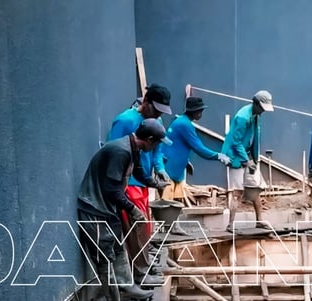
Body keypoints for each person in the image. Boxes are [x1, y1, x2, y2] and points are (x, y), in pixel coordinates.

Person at [77, 119, 172, 301]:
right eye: (157, 143)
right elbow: (112, 190)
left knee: (118, 248)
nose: (156, 147)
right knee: (105, 258)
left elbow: (138, 171)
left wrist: (155, 183)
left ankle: (127, 287)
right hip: (94, 209)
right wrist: (132, 209)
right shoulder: (120, 151)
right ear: (150, 139)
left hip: (106, 207)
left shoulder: (132, 147)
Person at [107, 84, 171, 281]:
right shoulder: (125, 121)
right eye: (156, 109)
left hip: (143, 180)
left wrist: (160, 168)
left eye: (162, 111)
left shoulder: (156, 121)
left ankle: (142, 265)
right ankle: (139, 273)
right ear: (146, 102)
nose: (159, 114)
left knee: (144, 228)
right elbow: (113, 152)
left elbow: (157, 151)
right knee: (135, 228)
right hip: (128, 183)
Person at [162, 96, 231, 234]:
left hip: (175, 166)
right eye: (200, 111)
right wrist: (218, 156)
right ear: (194, 111)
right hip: (170, 167)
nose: (201, 114)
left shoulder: (181, 122)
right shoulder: (185, 125)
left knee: (175, 198)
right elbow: (199, 148)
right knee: (168, 200)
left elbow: (176, 145)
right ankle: (169, 227)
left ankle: (172, 226)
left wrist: (186, 161)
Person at [221, 90, 274, 231]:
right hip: (235, 156)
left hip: (247, 154)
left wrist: (253, 159)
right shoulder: (243, 117)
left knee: (254, 189)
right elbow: (235, 142)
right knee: (237, 191)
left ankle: (259, 220)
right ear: (255, 103)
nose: (263, 111)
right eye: (262, 107)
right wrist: (246, 160)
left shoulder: (256, 115)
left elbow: (254, 137)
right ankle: (230, 224)